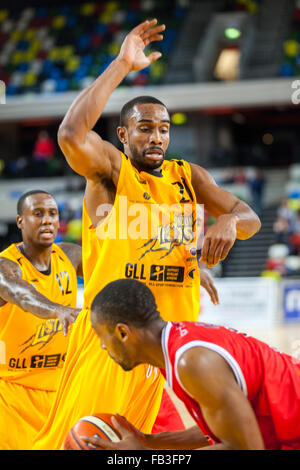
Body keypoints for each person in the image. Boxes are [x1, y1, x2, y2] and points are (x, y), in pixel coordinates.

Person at [33, 19, 260, 450]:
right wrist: (122, 64)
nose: (157, 137)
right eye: (144, 128)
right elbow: (70, 135)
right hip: (112, 345)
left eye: (164, 129)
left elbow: (247, 215)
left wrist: (228, 222)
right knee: (83, 444)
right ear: (123, 134)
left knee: (177, 446)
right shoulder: (111, 173)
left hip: (169, 348)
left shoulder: (188, 177)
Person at [85, 278, 300, 451]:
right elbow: (224, 427)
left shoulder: (193, 362)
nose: (103, 346)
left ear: (123, 332)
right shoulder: (175, 346)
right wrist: (149, 441)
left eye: (100, 336)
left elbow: (244, 447)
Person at [0, 189, 82, 450]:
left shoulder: (70, 256)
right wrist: (58, 309)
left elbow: (115, 270)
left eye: (52, 214)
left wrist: (191, 271)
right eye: (38, 214)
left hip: (61, 392)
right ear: (20, 221)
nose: (47, 220)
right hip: (13, 393)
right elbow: (20, 293)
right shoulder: (6, 265)